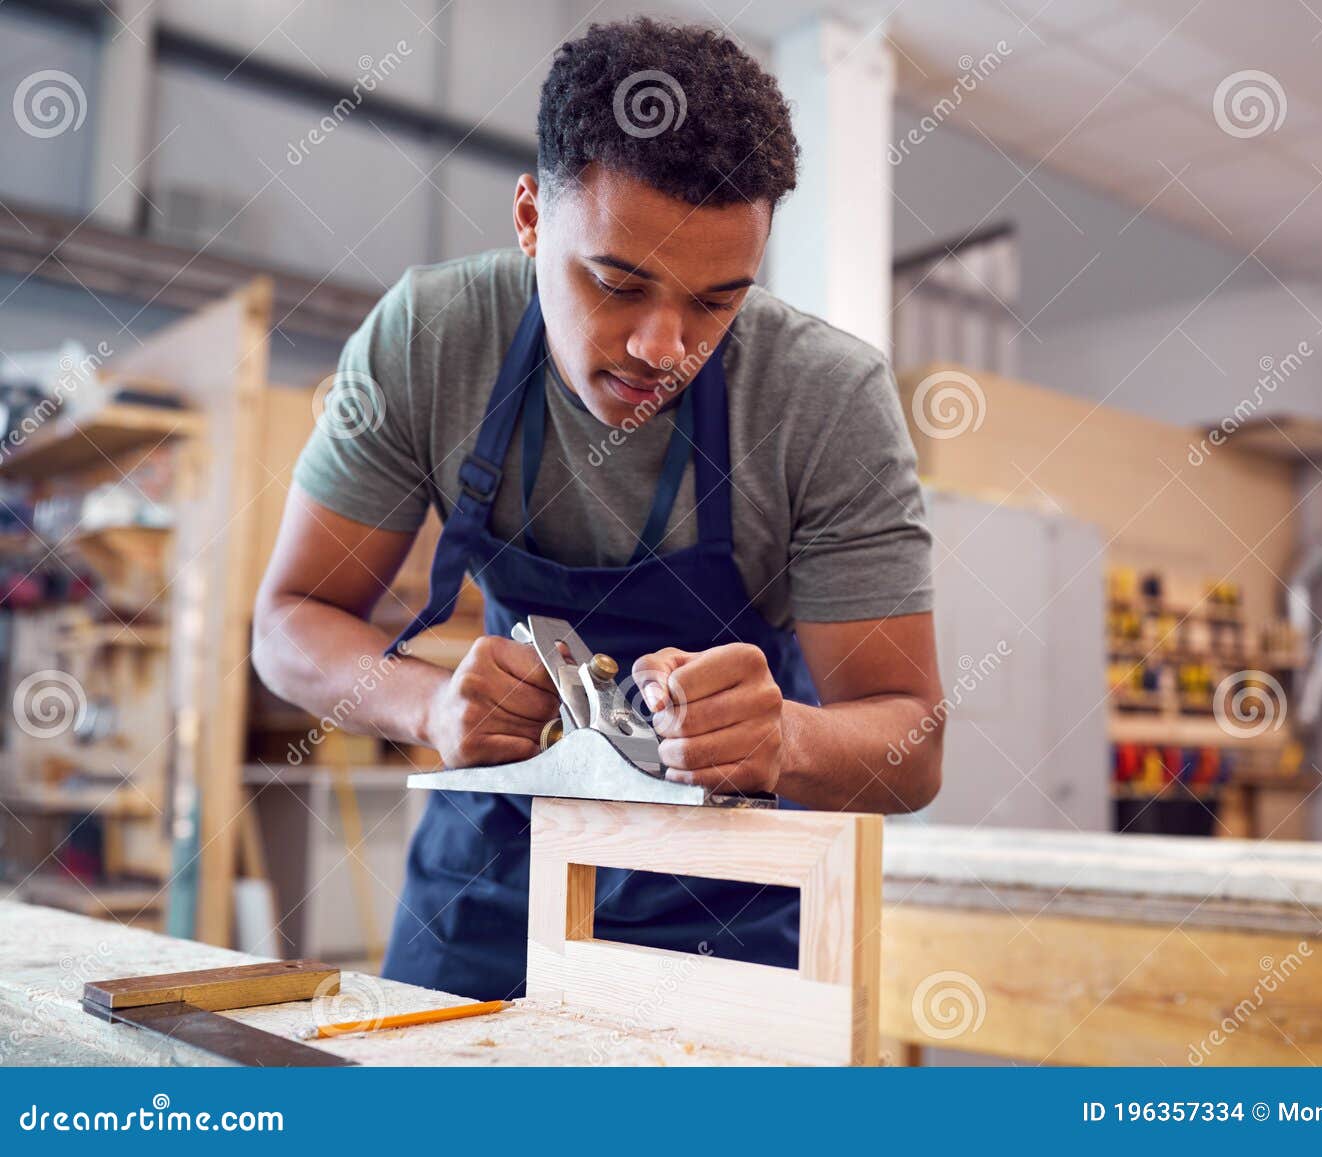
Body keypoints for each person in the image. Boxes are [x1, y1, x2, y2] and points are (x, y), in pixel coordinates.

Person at [253, 17, 942, 1001]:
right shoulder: (432, 340)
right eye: (617, 283)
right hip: (486, 887)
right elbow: (287, 626)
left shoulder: (824, 400)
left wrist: (782, 737)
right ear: (531, 218)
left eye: (718, 300)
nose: (665, 345)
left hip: (732, 907)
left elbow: (911, 741)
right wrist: (431, 703)